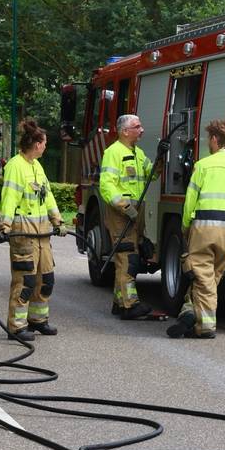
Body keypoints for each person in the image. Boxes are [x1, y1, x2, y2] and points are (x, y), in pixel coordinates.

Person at [168, 120, 225, 339]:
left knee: (202, 277)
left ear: (214, 139)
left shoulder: (204, 165)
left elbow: (190, 201)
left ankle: (206, 326)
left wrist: (185, 226)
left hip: (204, 226)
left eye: (208, 139)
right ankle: (189, 312)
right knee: (211, 278)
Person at [0, 120, 65, 340]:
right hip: (23, 233)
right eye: (44, 143)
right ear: (36, 144)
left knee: (46, 279)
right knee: (25, 281)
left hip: (42, 233)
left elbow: (48, 197)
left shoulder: (37, 166)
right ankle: (16, 327)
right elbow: (9, 198)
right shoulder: (15, 166)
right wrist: (5, 225)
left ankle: (38, 320)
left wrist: (57, 220)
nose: (46, 146)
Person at [99, 113, 158, 319]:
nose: (141, 130)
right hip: (121, 214)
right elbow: (106, 185)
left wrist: (160, 158)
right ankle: (129, 305)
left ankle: (119, 302)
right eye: (137, 127)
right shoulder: (113, 152)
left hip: (135, 212)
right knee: (127, 258)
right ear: (125, 131)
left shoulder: (138, 153)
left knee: (129, 255)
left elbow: (153, 174)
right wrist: (124, 206)